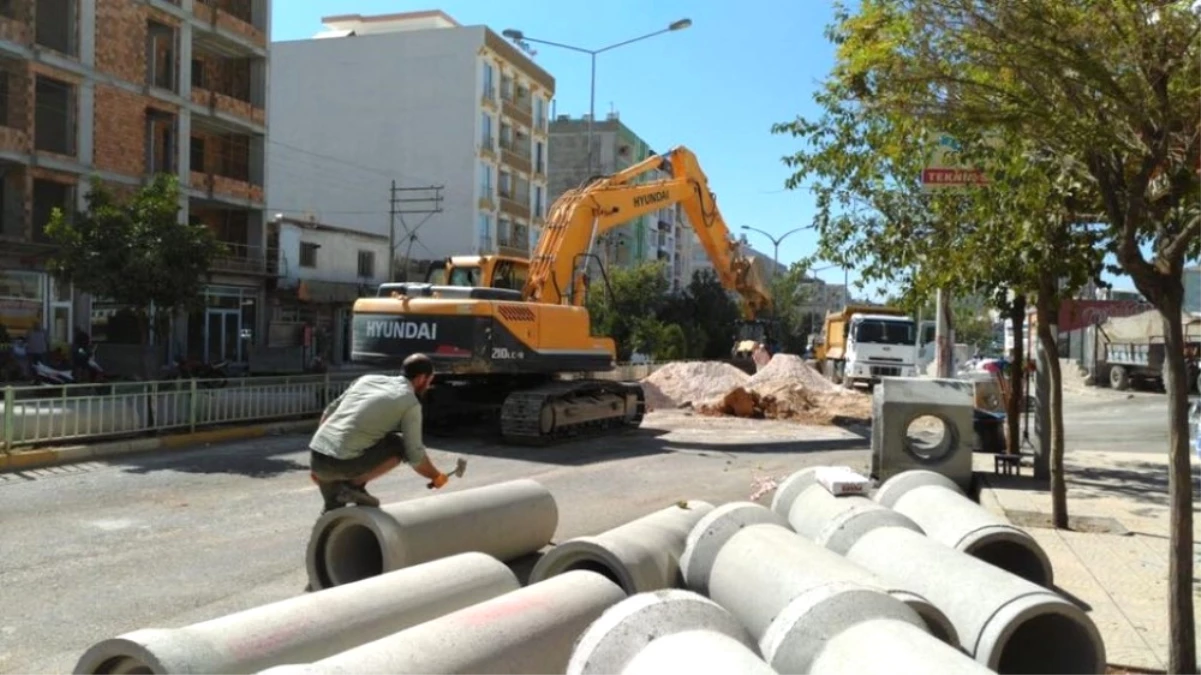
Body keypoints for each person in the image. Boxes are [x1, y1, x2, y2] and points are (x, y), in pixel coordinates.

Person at [308, 352, 449, 513]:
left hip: (316, 458)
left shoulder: (367, 380)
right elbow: (415, 454)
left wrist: (319, 462)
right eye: (429, 381)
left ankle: (342, 501)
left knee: (333, 511)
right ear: (422, 379)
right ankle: (353, 485)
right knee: (398, 444)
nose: (429, 386)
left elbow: (329, 412)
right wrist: (435, 476)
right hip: (341, 464)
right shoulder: (410, 402)